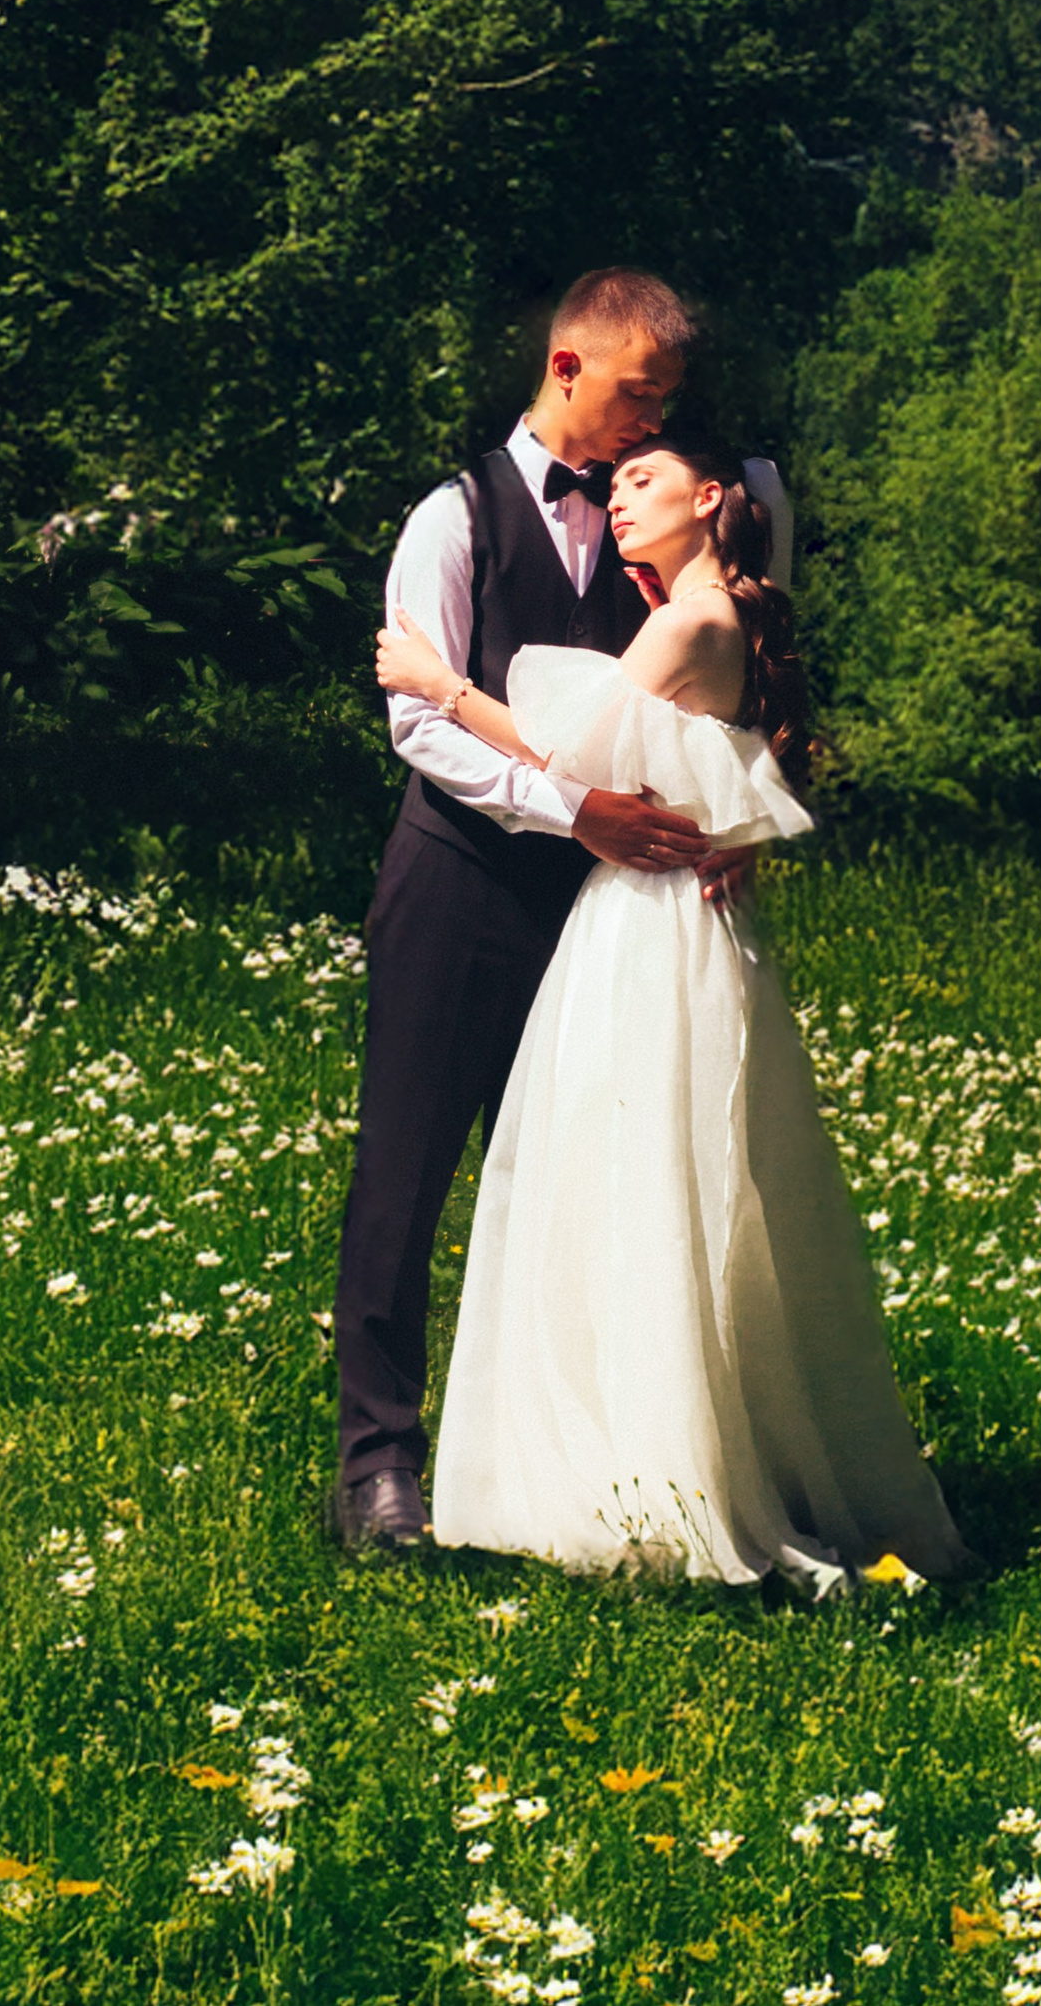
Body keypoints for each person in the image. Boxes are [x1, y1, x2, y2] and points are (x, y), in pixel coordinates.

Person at [374, 431, 978, 1591]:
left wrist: (439, 683)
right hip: (677, 923)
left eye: (641, 480)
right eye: (610, 484)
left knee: (630, 1178)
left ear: (711, 499)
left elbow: (565, 754)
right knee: (685, 1181)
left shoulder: (689, 620)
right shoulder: (731, 614)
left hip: (640, 924)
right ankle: (680, 1448)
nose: (615, 498)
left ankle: (650, 1475)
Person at [327, 267, 720, 1552]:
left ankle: (557, 1469)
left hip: (607, 915)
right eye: (632, 394)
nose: (646, 423)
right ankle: (377, 1468)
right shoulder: (450, 517)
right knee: (404, 1173)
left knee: (574, 1184)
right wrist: (578, 812)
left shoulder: (653, 522)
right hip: (457, 886)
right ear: (565, 365)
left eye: (665, 404)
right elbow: (417, 723)